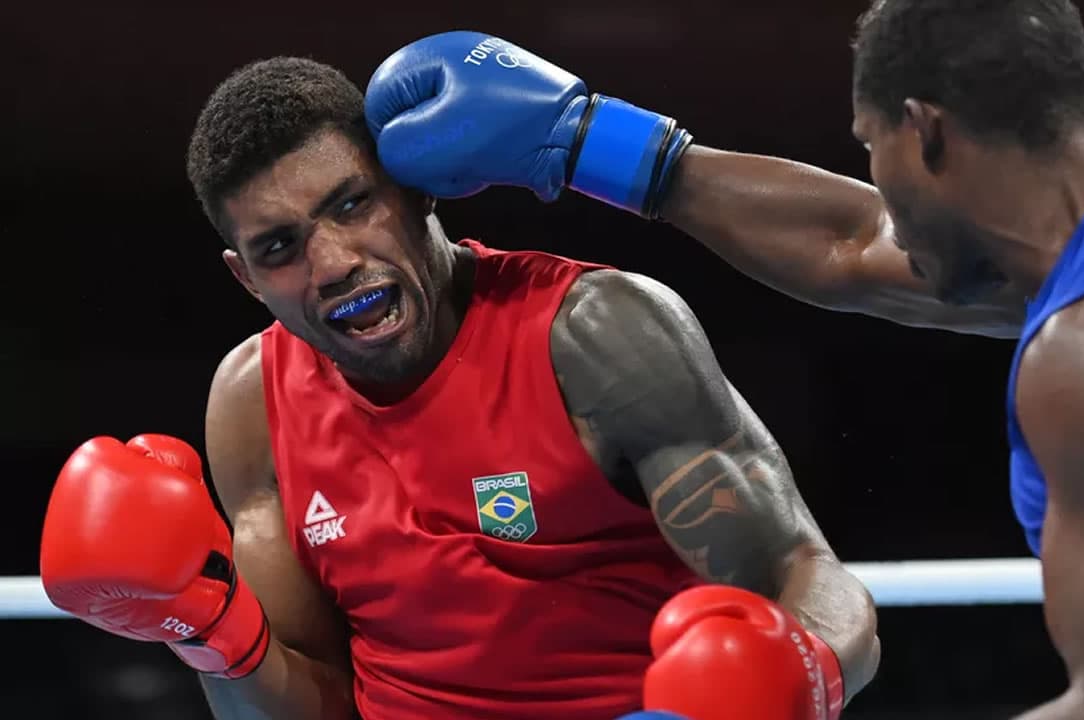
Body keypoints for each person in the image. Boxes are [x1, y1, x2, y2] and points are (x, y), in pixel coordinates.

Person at [361, 3, 1084, 716]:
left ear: (924, 131)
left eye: (870, 146)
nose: (876, 183)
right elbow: (853, 244)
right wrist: (588, 136)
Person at [36, 56, 881, 720]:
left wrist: (793, 674)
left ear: (415, 191)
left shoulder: (592, 335)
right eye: (280, 247)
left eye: (352, 204)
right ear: (246, 279)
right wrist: (208, 632)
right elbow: (306, 703)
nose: (331, 264)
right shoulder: (253, 402)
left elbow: (806, 576)